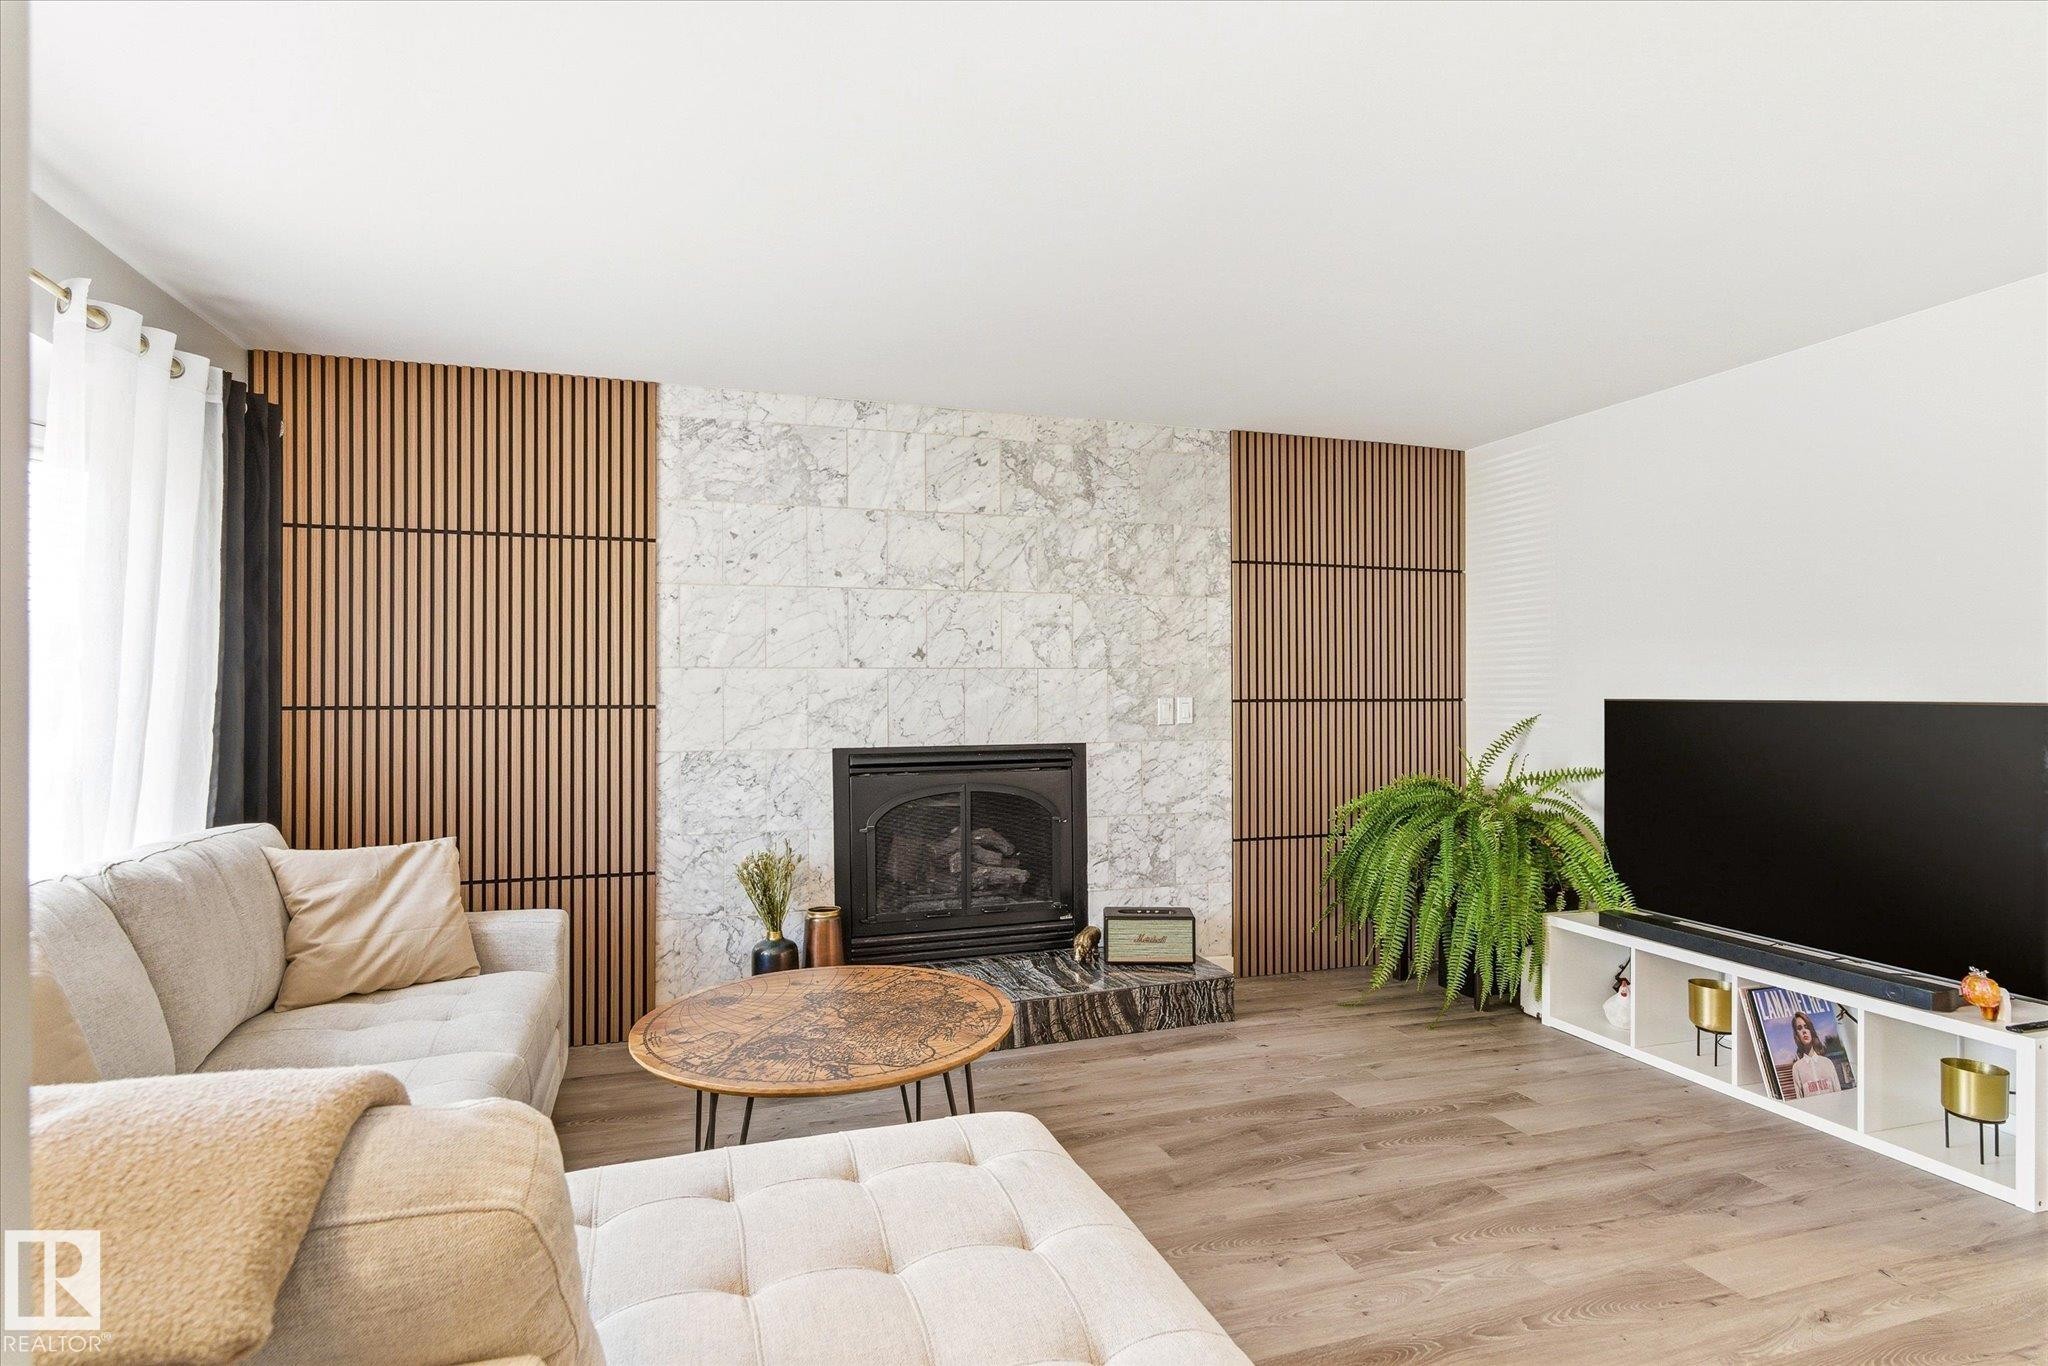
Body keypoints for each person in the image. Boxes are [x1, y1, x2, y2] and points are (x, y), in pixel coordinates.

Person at [1787, 1010, 1841, 1097]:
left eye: (1806, 1027)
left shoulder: (1827, 1063)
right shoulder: (1797, 1067)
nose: (1804, 1031)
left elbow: (1839, 1093)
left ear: (1811, 1030)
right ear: (1797, 1035)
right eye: (1800, 1028)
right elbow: (1799, 1098)